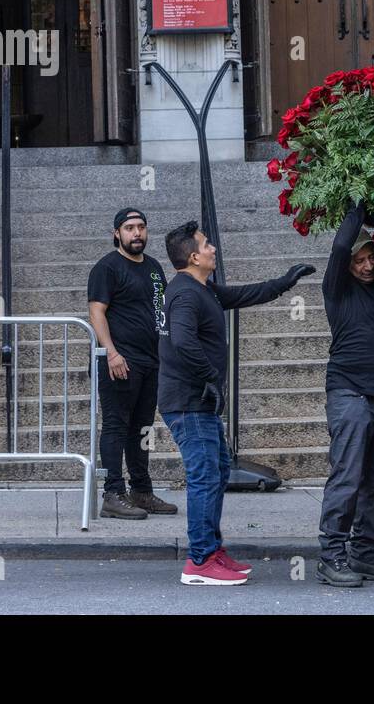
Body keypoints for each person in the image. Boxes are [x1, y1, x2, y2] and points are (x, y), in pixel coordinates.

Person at [158, 220, 315, 586]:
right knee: (203, 477)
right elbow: (182, 340)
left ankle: (211, 550)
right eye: (207, 244)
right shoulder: (184, 293)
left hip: (199, 401)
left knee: (215, 473)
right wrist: (211, 378)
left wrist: (283, 283)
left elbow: (242, 295)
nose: (213, 248)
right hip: (188, 402)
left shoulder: (203, 289)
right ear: (194, 256)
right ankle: (199, 561)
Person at [316, 201, 374, 588]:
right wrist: (359, 206)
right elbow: (340, 248)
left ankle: (365, 554)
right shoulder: (338, 288)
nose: (367, 266)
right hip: (350, 395)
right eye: (359, 261)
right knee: (347, 477)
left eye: (370, 257)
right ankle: (331, 557)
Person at [87, 208, 177, 521]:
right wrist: (110, 352)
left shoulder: (153, 268)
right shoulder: (107, 267)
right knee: (116, 424)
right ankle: (113, 494)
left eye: (141, 227)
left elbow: (160, 311)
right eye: (129, 228)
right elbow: (97, 312)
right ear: (117, 234)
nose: (136, 233)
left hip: (151, 361)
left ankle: (141, 490)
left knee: (142, 427)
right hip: (120, 361)